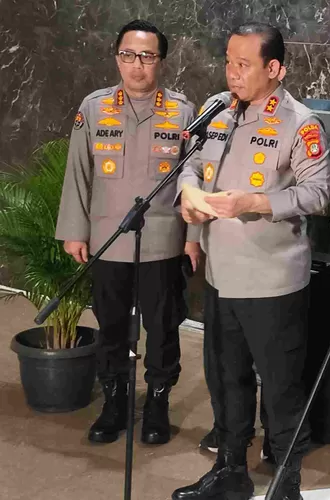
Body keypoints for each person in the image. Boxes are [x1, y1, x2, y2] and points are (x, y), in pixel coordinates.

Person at [171, 22, 330, 500]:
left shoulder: (300, 123)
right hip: (220, 273)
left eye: (244, 64)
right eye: (228, 62)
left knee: (281, 388)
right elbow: (190, 163)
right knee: (226, 378)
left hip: (271, 279)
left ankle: (287, 481)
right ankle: (230, 470)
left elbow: (318, 193)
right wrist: (188, 195)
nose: (233, 73)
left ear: (274, 68)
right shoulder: (216, 109)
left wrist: (255, 202)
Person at [55, 19, 199, 446]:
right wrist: (75, 231)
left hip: (163, 242)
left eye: (147, 56)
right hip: (108, 241)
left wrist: (192, 237)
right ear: (117, 58)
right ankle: (114, 403)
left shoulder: (183, 111)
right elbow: (78, 173)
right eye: (128, 55)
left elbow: (195, 179)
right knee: (111, 327)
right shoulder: (94, 107)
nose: (137, 65)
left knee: (163, 328)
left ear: (161, 62)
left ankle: (157, 403)